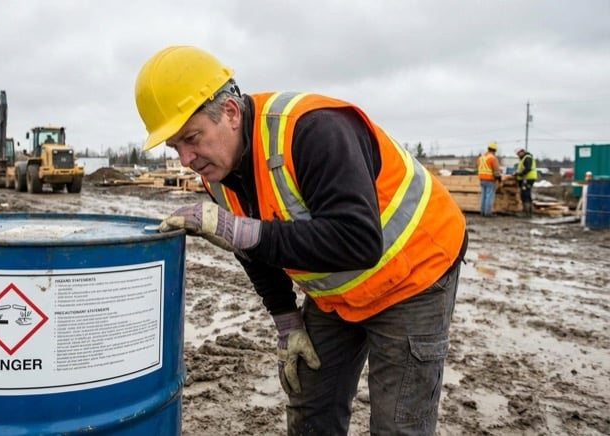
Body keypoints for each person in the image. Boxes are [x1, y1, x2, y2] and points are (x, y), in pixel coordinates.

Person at [135, 45, 468, 435]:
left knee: (398, 425)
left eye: (192, 138)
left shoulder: (312, 130)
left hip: (415, 274)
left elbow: (358, 240)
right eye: (176, 147)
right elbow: (253, 251)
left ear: (229, 112)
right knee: (311, 405)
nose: (186, 159)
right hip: (337, 294)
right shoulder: (217, 171)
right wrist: (287, 320)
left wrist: (237, 229)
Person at [476, 142, 503, 216]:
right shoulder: (492, 158)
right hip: (490, 179)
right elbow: (496, 170)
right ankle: (487, 212)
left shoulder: (481, 158)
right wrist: (499, 178)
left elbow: (478, 167)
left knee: (483, 196)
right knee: (489, 196)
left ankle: (482, 212)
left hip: (482, 179)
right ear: (494, 150)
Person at [514, 147, 537, 217]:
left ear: (522, 152)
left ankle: (527, 212)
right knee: (526, 194)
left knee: (525, 194)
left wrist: (520, 174)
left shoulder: (527, 158)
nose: (518, 155)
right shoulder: (523, 159)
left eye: (518, 154)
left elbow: (527, 168)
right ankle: (528, 211)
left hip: (528, 178)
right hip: (525, 178)